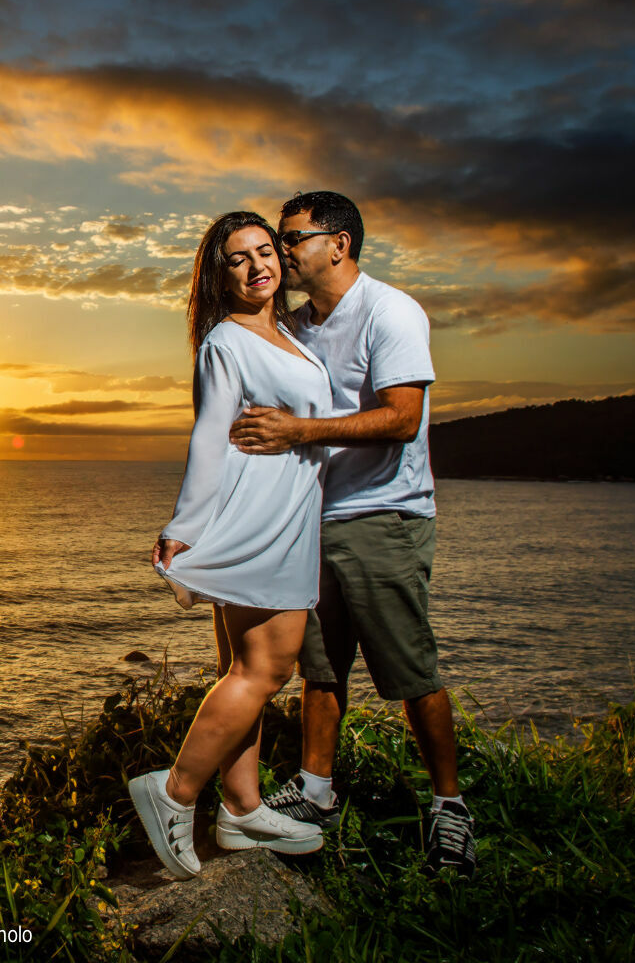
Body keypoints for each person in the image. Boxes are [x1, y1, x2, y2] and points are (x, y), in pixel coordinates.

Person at [229, 190, 476, 875]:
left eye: (293, 238)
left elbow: (401, 418)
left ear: (339, 244)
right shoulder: (298, 327)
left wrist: (302, 430)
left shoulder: (390, 311)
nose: (281, 251)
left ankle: (449, 808)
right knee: (320, 667)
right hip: (311, 521)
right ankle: (314, 790)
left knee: (409, 670)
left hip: (383, 515)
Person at [127, 211, 333, 879]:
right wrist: (186, 526)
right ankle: (174, 792)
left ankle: (241, 808)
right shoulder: (227, 341)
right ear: (221, 275)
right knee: (268, 669)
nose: (256, 266)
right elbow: (210, 434)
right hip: (258, 518)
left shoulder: (291, 337)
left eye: (265, 251)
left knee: (244, 670)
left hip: (289, 514)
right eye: (238, 258)